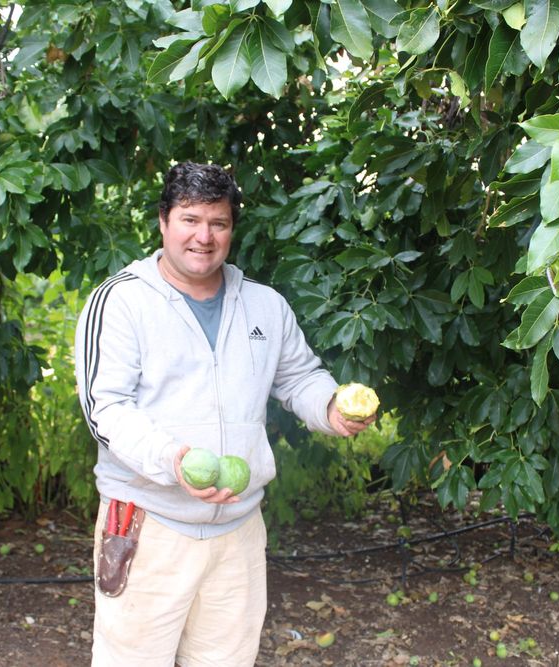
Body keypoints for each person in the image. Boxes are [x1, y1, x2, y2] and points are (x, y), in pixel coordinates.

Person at [74, 161, 375, 666]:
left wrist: (329, 407)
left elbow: (299, 376)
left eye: (218, 222)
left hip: (238, 527)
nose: (204, 237)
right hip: (150, 524)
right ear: (164, 221)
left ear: (232, 228)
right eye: (190, 219)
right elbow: (106, 409)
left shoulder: (265, 305)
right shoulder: (122, 301)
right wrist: (174, 460)